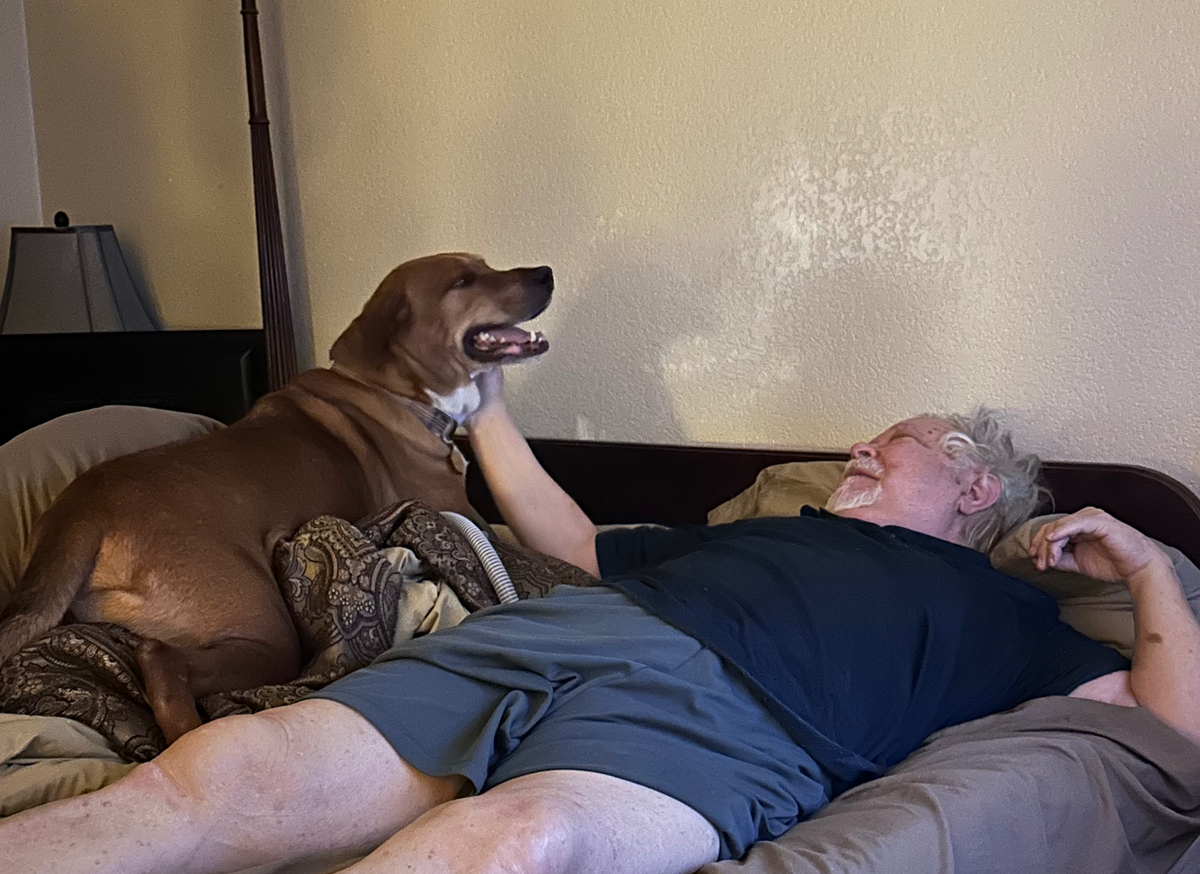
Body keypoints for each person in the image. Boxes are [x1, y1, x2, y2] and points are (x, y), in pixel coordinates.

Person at [1, 370, 1198, 874]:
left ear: (978, 486)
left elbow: (1173, 731)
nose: (860, 447)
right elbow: (572, 546)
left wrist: (1147, 566)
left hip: (744, 725)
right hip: (577, 630)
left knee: (514, 845)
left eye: (899, 441)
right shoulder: (766, 529)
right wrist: (485, 407)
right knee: (224, 776)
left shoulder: (1010, 615)